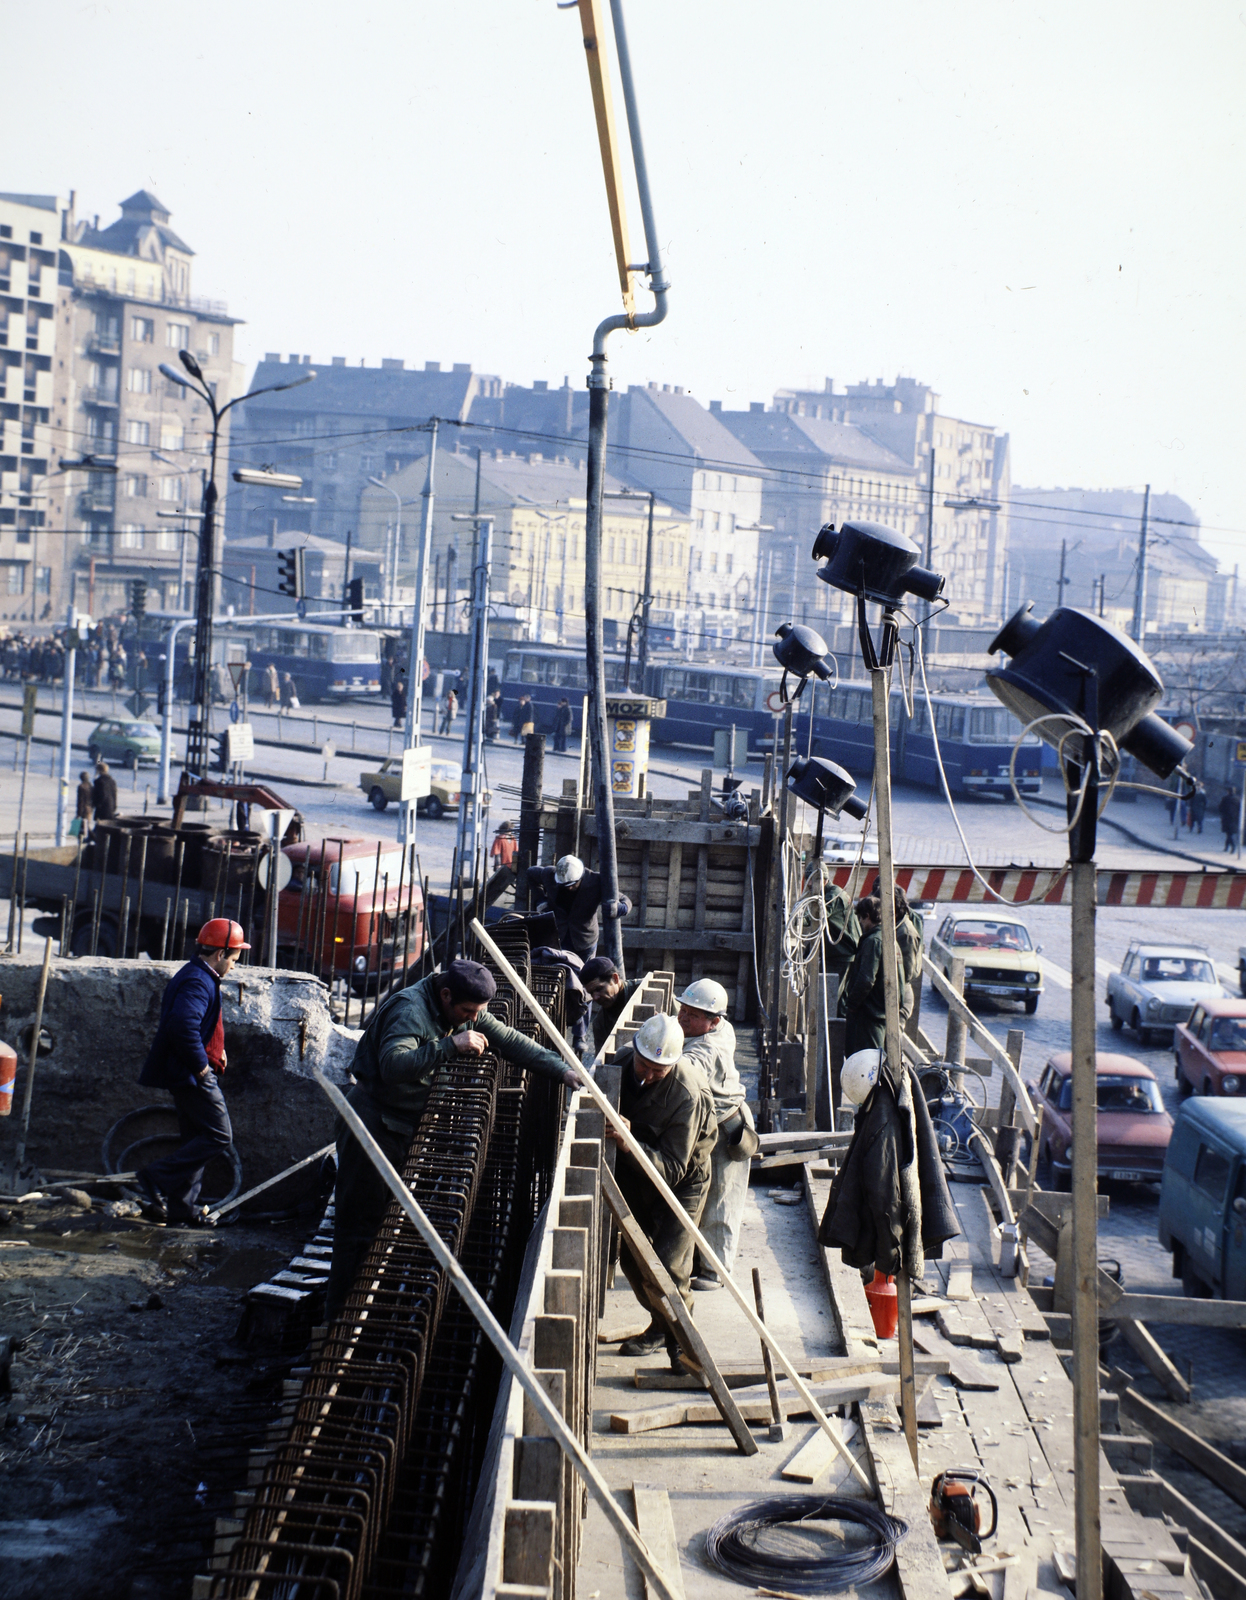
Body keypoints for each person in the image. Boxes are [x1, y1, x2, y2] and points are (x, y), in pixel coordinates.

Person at [326, 958, 581, 1320]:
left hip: (402, 1123)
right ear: (446, 995)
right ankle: (339, 1319)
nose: (472, 1019)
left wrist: (562, 1070)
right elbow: (393, 1066)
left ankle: (371, 1307)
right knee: (358, 1229)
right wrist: (450, 1046)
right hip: (371, 1125)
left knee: (387, 1224)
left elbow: (509, 1040)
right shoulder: (411, 1011)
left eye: (478, 1013)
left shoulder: (463, 1007)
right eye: (467, 1012)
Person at [609, 1014, 717, 1370]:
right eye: (645, 1065)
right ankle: (660, 1326)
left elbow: (672, 1169)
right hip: (635, 1170)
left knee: (669, 1268)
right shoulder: (622, 1063)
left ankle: (685, 1352)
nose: (648, 1074)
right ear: (636, 1051)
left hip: (683, 1181)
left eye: (659, 1070)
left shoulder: (687, 1094)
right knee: (634, 1260)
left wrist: (628, 1142)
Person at [134, 919, 247, 1226]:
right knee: (219, 1135)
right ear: (220, 954)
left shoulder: (197, 975)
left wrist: (216, 1047)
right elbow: (183, 1026)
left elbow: (198, 1023)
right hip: (191, 1074)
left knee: (195, 1139)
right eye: (234, 959)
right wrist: (201, 1067)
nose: (234, 966)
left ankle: (182, 1209)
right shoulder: (198, 981)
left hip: (186, 1073)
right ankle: (155, 1176)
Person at [676, 979, 756, 1289]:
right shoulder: (719, 1028)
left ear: (713, 1022)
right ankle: (701, 1261)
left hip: (728, 1129)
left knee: (721, 1200)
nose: (684, 1018)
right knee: (705, 1195)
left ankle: (715, 1271)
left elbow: (682, 1067)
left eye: (693, 1015)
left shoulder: (707, 1049)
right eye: (683, 1010)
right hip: (714, 1123)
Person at [527, 854, 631, 963]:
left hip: (584, 941)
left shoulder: (596, 881)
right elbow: (530, 873)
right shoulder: (550, 875)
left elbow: (626, 901)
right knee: (559, 970)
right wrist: (540, 900)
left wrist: (620, 909)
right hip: (558, 936)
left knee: (584, 972)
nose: (569, 888)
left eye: (573, 884)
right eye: (565, 885)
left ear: (580, 876)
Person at [839, 894, 902, 1056]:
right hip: (882, 1011)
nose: (860, 923)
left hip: (870, 1013)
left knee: (866, 1058)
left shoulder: (873, 941)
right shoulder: (889, 939)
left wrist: (851, 1004)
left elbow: (866, 979)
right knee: (876, 1058)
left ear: (867, 916)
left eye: (861, 918)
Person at [582, 956, 643, 1056]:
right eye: (591, 993)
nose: (595, 997)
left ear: (615, 978)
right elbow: (602, 1060)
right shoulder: (600, 1024)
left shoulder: (643, 990)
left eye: (599, 989)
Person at [1221, 789, 1240, 853]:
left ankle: (1233, 846)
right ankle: (1226, 847)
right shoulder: (1238, 799)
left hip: (1227, 818)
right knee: (1230, 833)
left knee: (1229, 834)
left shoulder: (1225, 798)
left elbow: (1221, 808)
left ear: (1228, 792)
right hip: (1235, 819)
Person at [76, 770, 94, 835]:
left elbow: (80, 800)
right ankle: (88, 835)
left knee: (84, 826)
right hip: (90, 807)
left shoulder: (81, 787)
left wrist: (78, 813)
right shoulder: (91, 786)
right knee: (87, 824)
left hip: (84, 808)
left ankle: (91, 836)